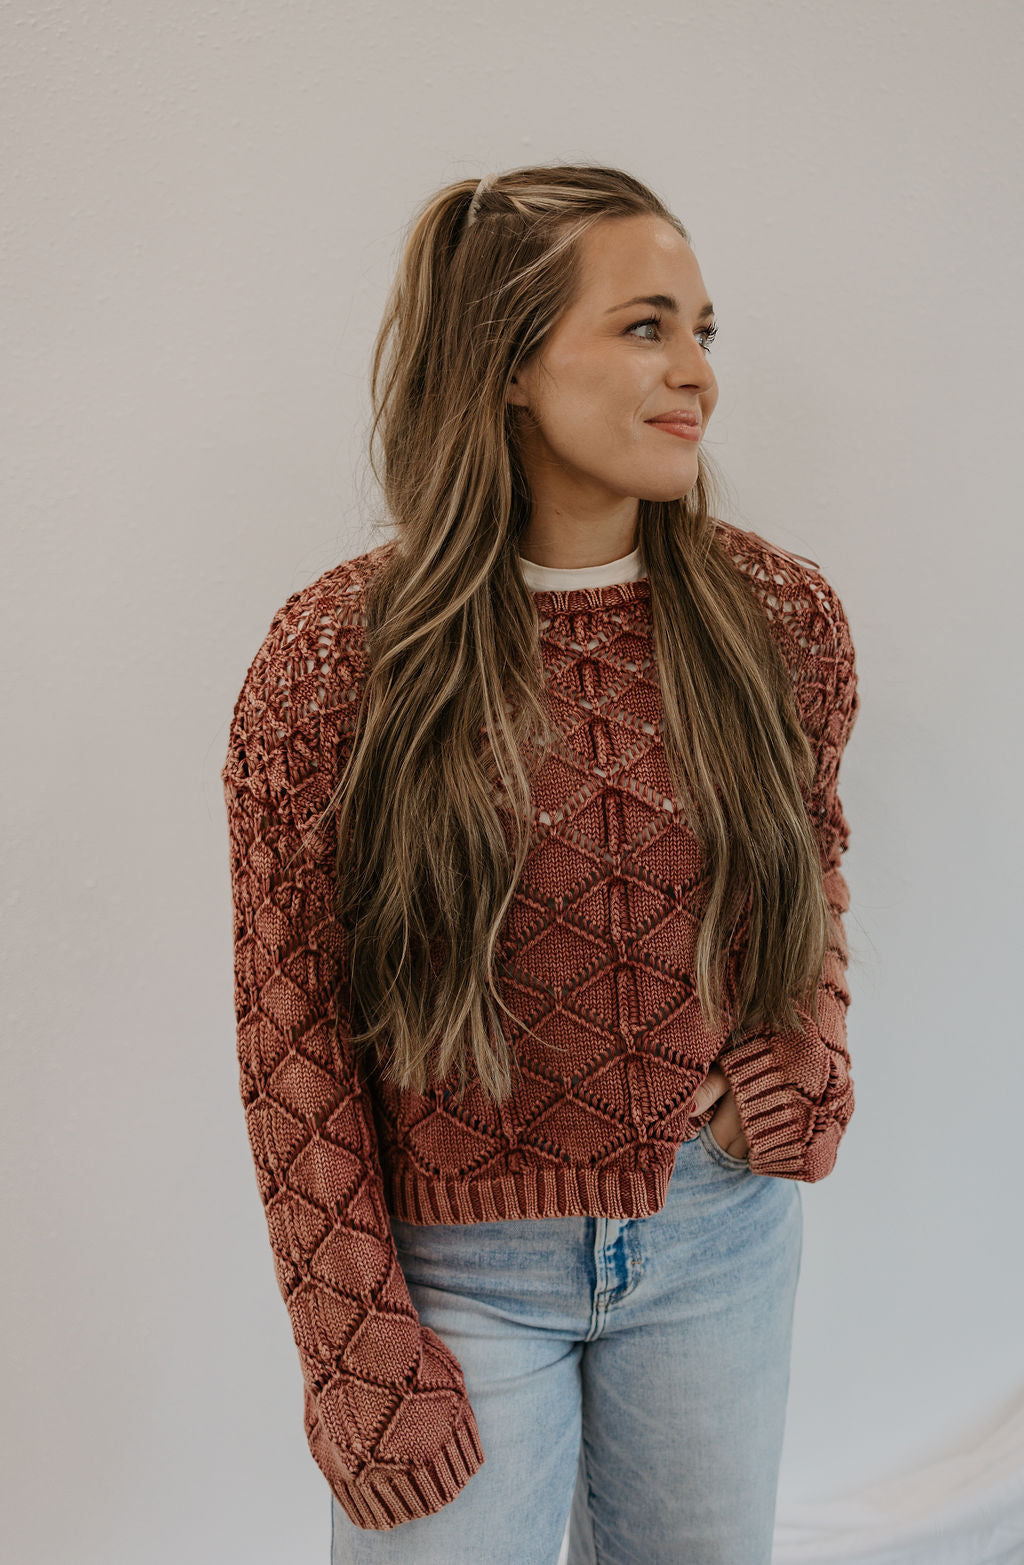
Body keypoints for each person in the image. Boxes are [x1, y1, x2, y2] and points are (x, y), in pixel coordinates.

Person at [222, 163, 860, 1565]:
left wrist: (793, 1070)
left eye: (702, 329)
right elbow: (291, 1023)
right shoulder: (337, 659)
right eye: (644, 327)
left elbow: (805, 883)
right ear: (507, 364)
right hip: (456, 1275)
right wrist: (354, 1343)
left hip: (715, 1233)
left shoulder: (779, 618)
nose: (695, 371)